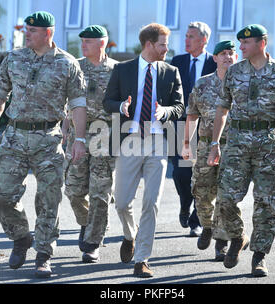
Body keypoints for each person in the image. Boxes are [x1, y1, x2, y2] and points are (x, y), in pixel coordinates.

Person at [0, 11, 87, 278]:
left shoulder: (67, 64)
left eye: (32, 30)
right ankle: (21, 237)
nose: (26, 33)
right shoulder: (14, 58)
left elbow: (78, 104)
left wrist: (79, 139)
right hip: (14, 136)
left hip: (48, 139)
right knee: (3, 196)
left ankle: (44, 254)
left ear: (47, 33)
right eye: (26, 29)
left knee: (49, 199)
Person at [207, 24, 275, 277]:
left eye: (246, 43)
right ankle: (237, 237)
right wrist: (215, 144)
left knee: (267, 203)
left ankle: (259, 257)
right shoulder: (234, 72)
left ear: (262, 43)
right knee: (225, 198)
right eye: (240, 42)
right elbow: (222, 109)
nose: (240, 47)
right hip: (237, 143)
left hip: (269, 144)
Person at [103, 23, 184, 278]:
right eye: (163, 44)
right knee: (122, 202)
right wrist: (121, 108)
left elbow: (179, 107)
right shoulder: (122, 69)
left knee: (152, 202)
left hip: (158, 142)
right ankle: (130, 236)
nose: (166, 49)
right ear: (149, 44)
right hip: (129, 141)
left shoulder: (171, 72)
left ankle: (142, 259)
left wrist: (165, 112)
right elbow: (107, 101)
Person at [63, 25, 118, 263]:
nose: (83, 45)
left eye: (88, 41)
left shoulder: (118, 70)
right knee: (74, 190)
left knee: (100, 193)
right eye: (82, 41)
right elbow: (65, 104)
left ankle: (93, 242)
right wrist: (65, 131)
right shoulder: (74, 67)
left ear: (102, 43)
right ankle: (87, 223)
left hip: (106, 137)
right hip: (78, 136)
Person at [181, 41, 238, 261]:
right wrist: (186, 143)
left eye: (231, 53)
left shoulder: (242, 85)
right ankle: (207, 226)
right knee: (202, 193)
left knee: (226, 197)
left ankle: (221, 242)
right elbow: (192, 115)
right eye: (222, 54)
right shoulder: (203, 84)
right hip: (205, 145)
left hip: (233, 147)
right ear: (214, 58)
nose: (227, 57)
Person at [170, 21, 217, 237]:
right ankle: (184, 204)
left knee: (203, 175)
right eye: (186, 35)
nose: (186, 39)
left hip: (205, 127)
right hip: (179, 126)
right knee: (180, 173)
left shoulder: (214, 63)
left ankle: (196, 220)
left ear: (204, 40)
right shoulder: (177, 61)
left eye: (191, 36)